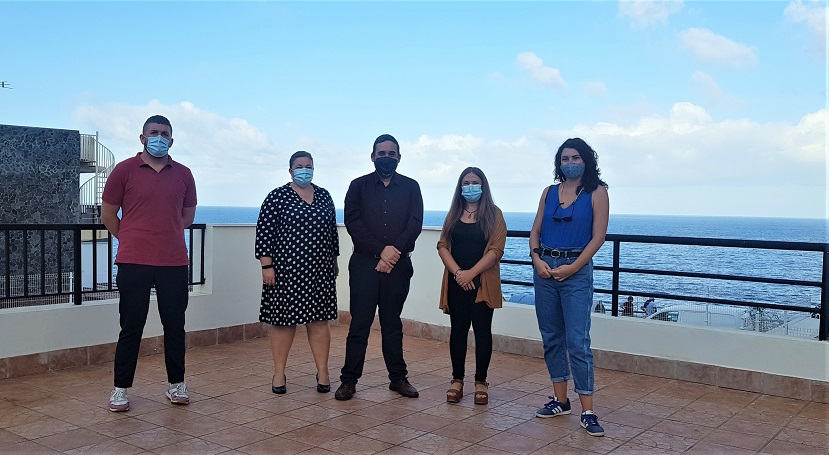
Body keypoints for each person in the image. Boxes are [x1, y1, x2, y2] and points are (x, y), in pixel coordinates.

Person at [101, 115, 197, 412]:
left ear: (172, 139)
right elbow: (108, 215)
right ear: (142, 138)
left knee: (175, 326)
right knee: (131, 326)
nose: (159, 137)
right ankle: (120, 390)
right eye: (153, 133)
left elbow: (187, 217)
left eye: (164, 133)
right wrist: (131, 238)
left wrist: (164, 236)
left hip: (173, 263)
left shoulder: (183, 174)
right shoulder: (124, 170)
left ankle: (176, 385)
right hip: (133, 262)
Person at [529, 137, 609, 437]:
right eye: (565, 159)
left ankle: (588, 410)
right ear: (558, 164)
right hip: (546, 270)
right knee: (551, 337)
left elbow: (598, 237)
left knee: (577, 341)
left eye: (575, 157)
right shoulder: (548, 192)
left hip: (576, 272)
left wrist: (574, 267)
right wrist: (537, 259)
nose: (570, 163)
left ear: (586, 160)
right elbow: (535, 232)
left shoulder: (597, 193)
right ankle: (560, 400)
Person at [335, 134, 424, 401]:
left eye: (391, 153)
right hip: (364, 265)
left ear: (399, 157)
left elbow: (414, 223)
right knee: (359, 324)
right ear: (372, 156)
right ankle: (349, 381)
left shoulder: (411, 187)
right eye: (381, 153)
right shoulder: (358, 186)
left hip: (398, 266)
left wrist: (392, 254)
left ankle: (398, 378)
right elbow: (353, 222)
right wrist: (380, 251)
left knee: (392, 324)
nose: (386, 157)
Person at [255, 151, 339, 394]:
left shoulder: (324, 195)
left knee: (319, 322)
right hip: (285, 272)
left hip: (320, 272)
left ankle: (322, 372)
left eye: (308, 166)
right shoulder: (277, 197)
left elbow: (332, 234)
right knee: (283, 323)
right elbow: (264, 234)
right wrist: (266, 266)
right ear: (290, 170)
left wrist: (333, 263)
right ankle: (279, 373)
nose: (304, 169)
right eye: (299, 166)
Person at [437, 167, 506, 405]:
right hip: (457, 282)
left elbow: (496, 250)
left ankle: (480, 381)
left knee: (482, 331)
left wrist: (471, 274)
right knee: (458, 331)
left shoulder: (494, 214)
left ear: (483, 186)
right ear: (460, 186)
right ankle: (457, 380)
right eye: (466, 182)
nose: (470, 186)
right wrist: (458, 273)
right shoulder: (453, 214)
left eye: (475, 182)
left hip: (482, 283)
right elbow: (443, 245)